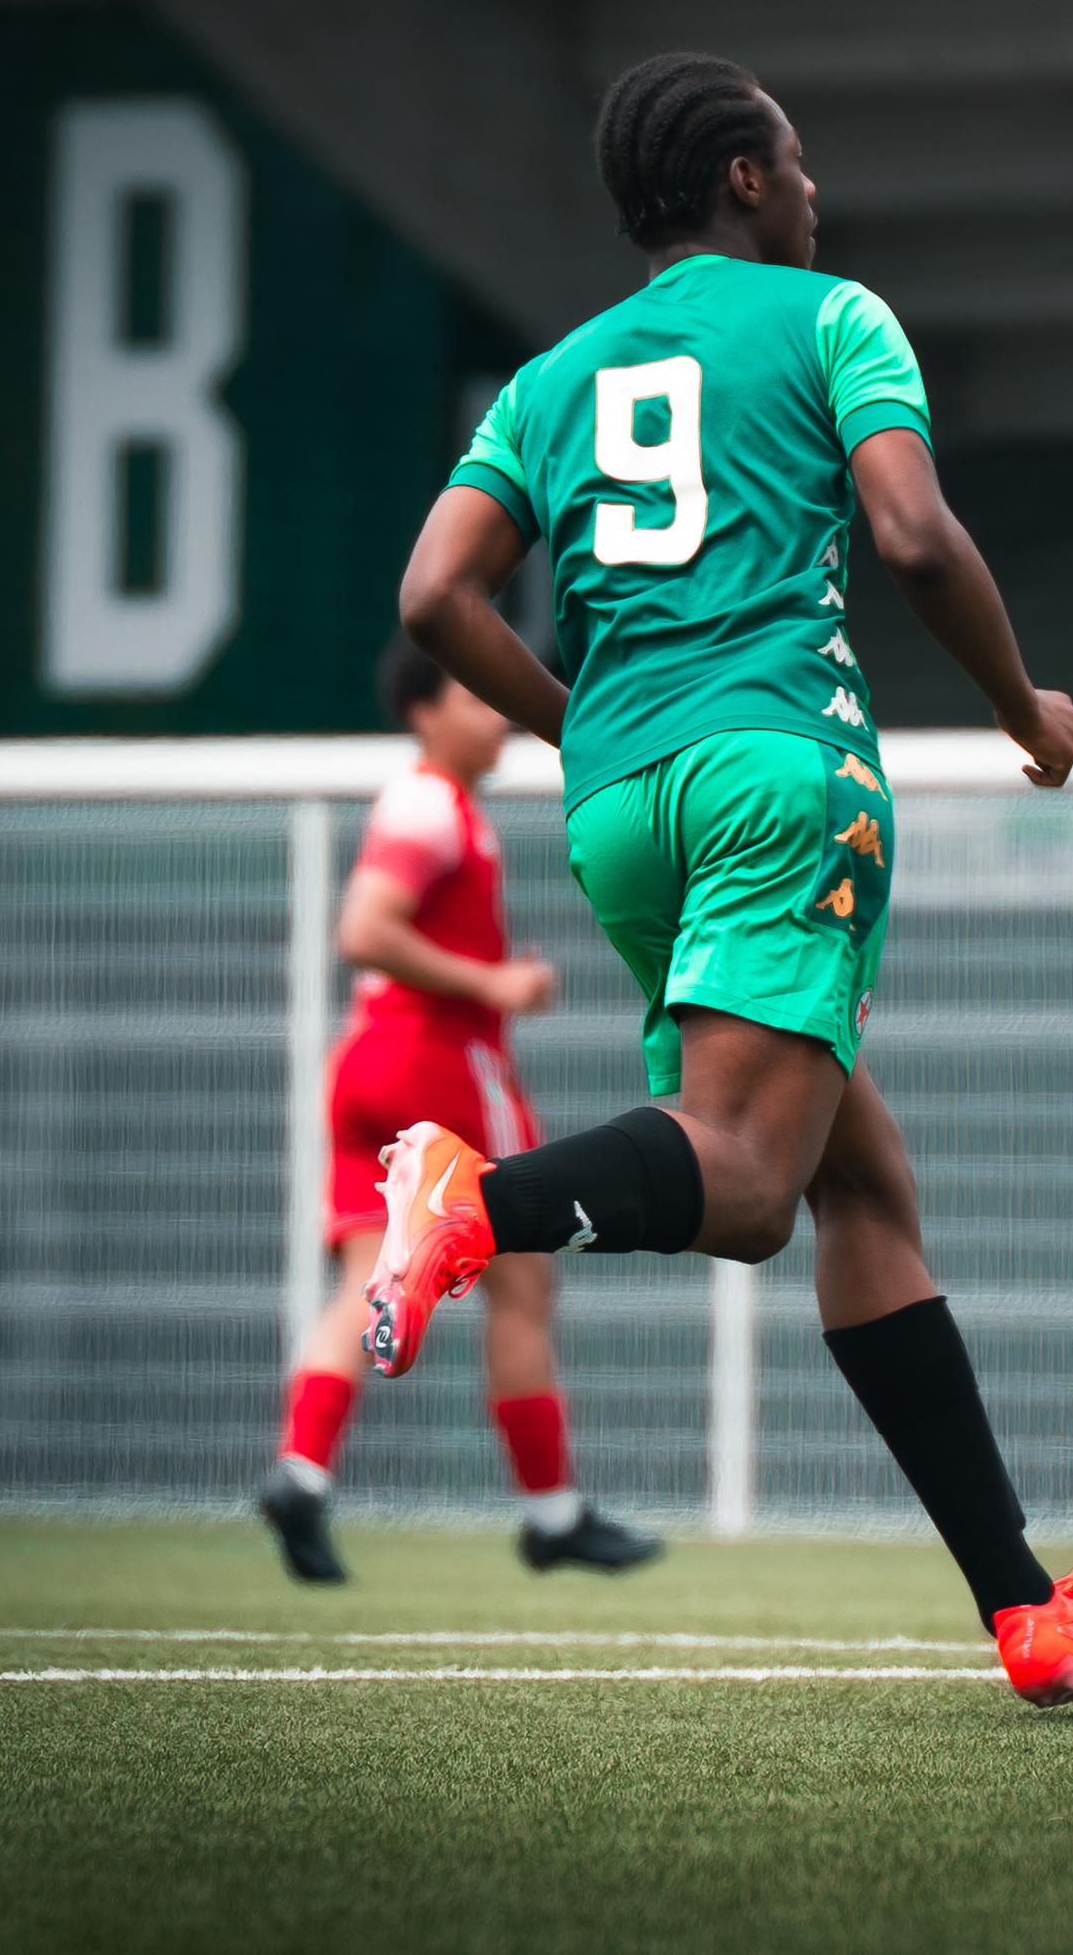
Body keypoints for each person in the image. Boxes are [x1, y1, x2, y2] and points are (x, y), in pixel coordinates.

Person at [370, 50, 1073, 1709]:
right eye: (794, 160)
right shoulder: (833, 319)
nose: (811, 187)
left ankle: (1023, 1607)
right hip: (780, 772)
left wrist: (585, 724)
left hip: (623, 807)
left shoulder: (551, 380)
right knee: (744, 1185)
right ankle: (478, 1203)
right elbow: (914, 538)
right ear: (743, 177)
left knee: (863, 1189)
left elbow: (434, 595)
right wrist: (1027, 711)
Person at [258, 642, 661, 1584]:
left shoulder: (427, 805)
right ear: (424, 712)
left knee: (369, 1278)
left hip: (366, 1064)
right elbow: (364, 929)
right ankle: (552, 1513)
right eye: (474, 699)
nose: (498, 716)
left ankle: (301, 1473)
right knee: (523, 1287)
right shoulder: (433, 805)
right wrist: (493, 982)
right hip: (438, 1071)